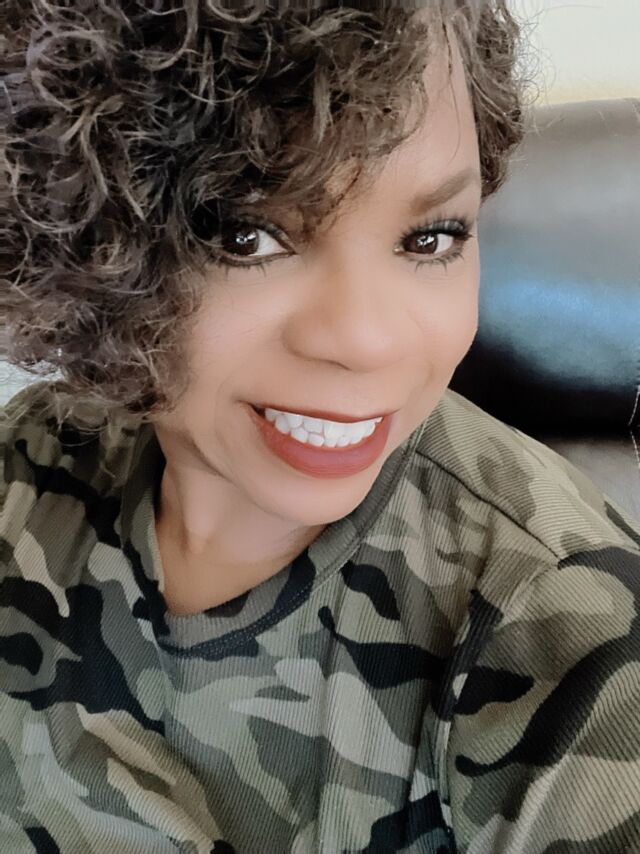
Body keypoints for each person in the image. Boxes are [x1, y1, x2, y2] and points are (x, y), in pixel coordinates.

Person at [2, 1, 639, 852]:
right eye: (246, 236)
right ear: (94, 240)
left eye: (430, 239)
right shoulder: (33, 458)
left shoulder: (570, 634)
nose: (367, 340)